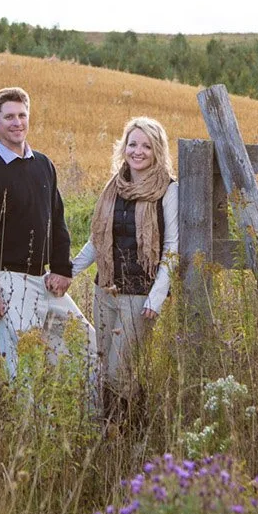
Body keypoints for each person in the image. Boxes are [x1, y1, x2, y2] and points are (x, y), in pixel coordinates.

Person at [0, 86, 96, 385]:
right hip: (9, 282)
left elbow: (57, 219)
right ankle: (29, 430)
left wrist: (63, 268)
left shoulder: (44, 165)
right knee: (27, 362)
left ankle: (87, 423)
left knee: (87, 345)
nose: (17, 122)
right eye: (9, 116)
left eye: (22, 115)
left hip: (44, 278)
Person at [72, 116, 178, 412]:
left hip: (140, 296)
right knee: (105, 369)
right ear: (124, 147)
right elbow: (98, 239)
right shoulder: (113, 187)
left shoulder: (168, 190)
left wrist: (157, 296)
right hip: (105, 290)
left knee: (120, 371)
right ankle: (113, 435)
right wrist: (69, 271)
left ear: (158, 151)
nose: (138, 151)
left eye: (146, 146)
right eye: (133, 144)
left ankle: (132, 429)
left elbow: (171, 248)